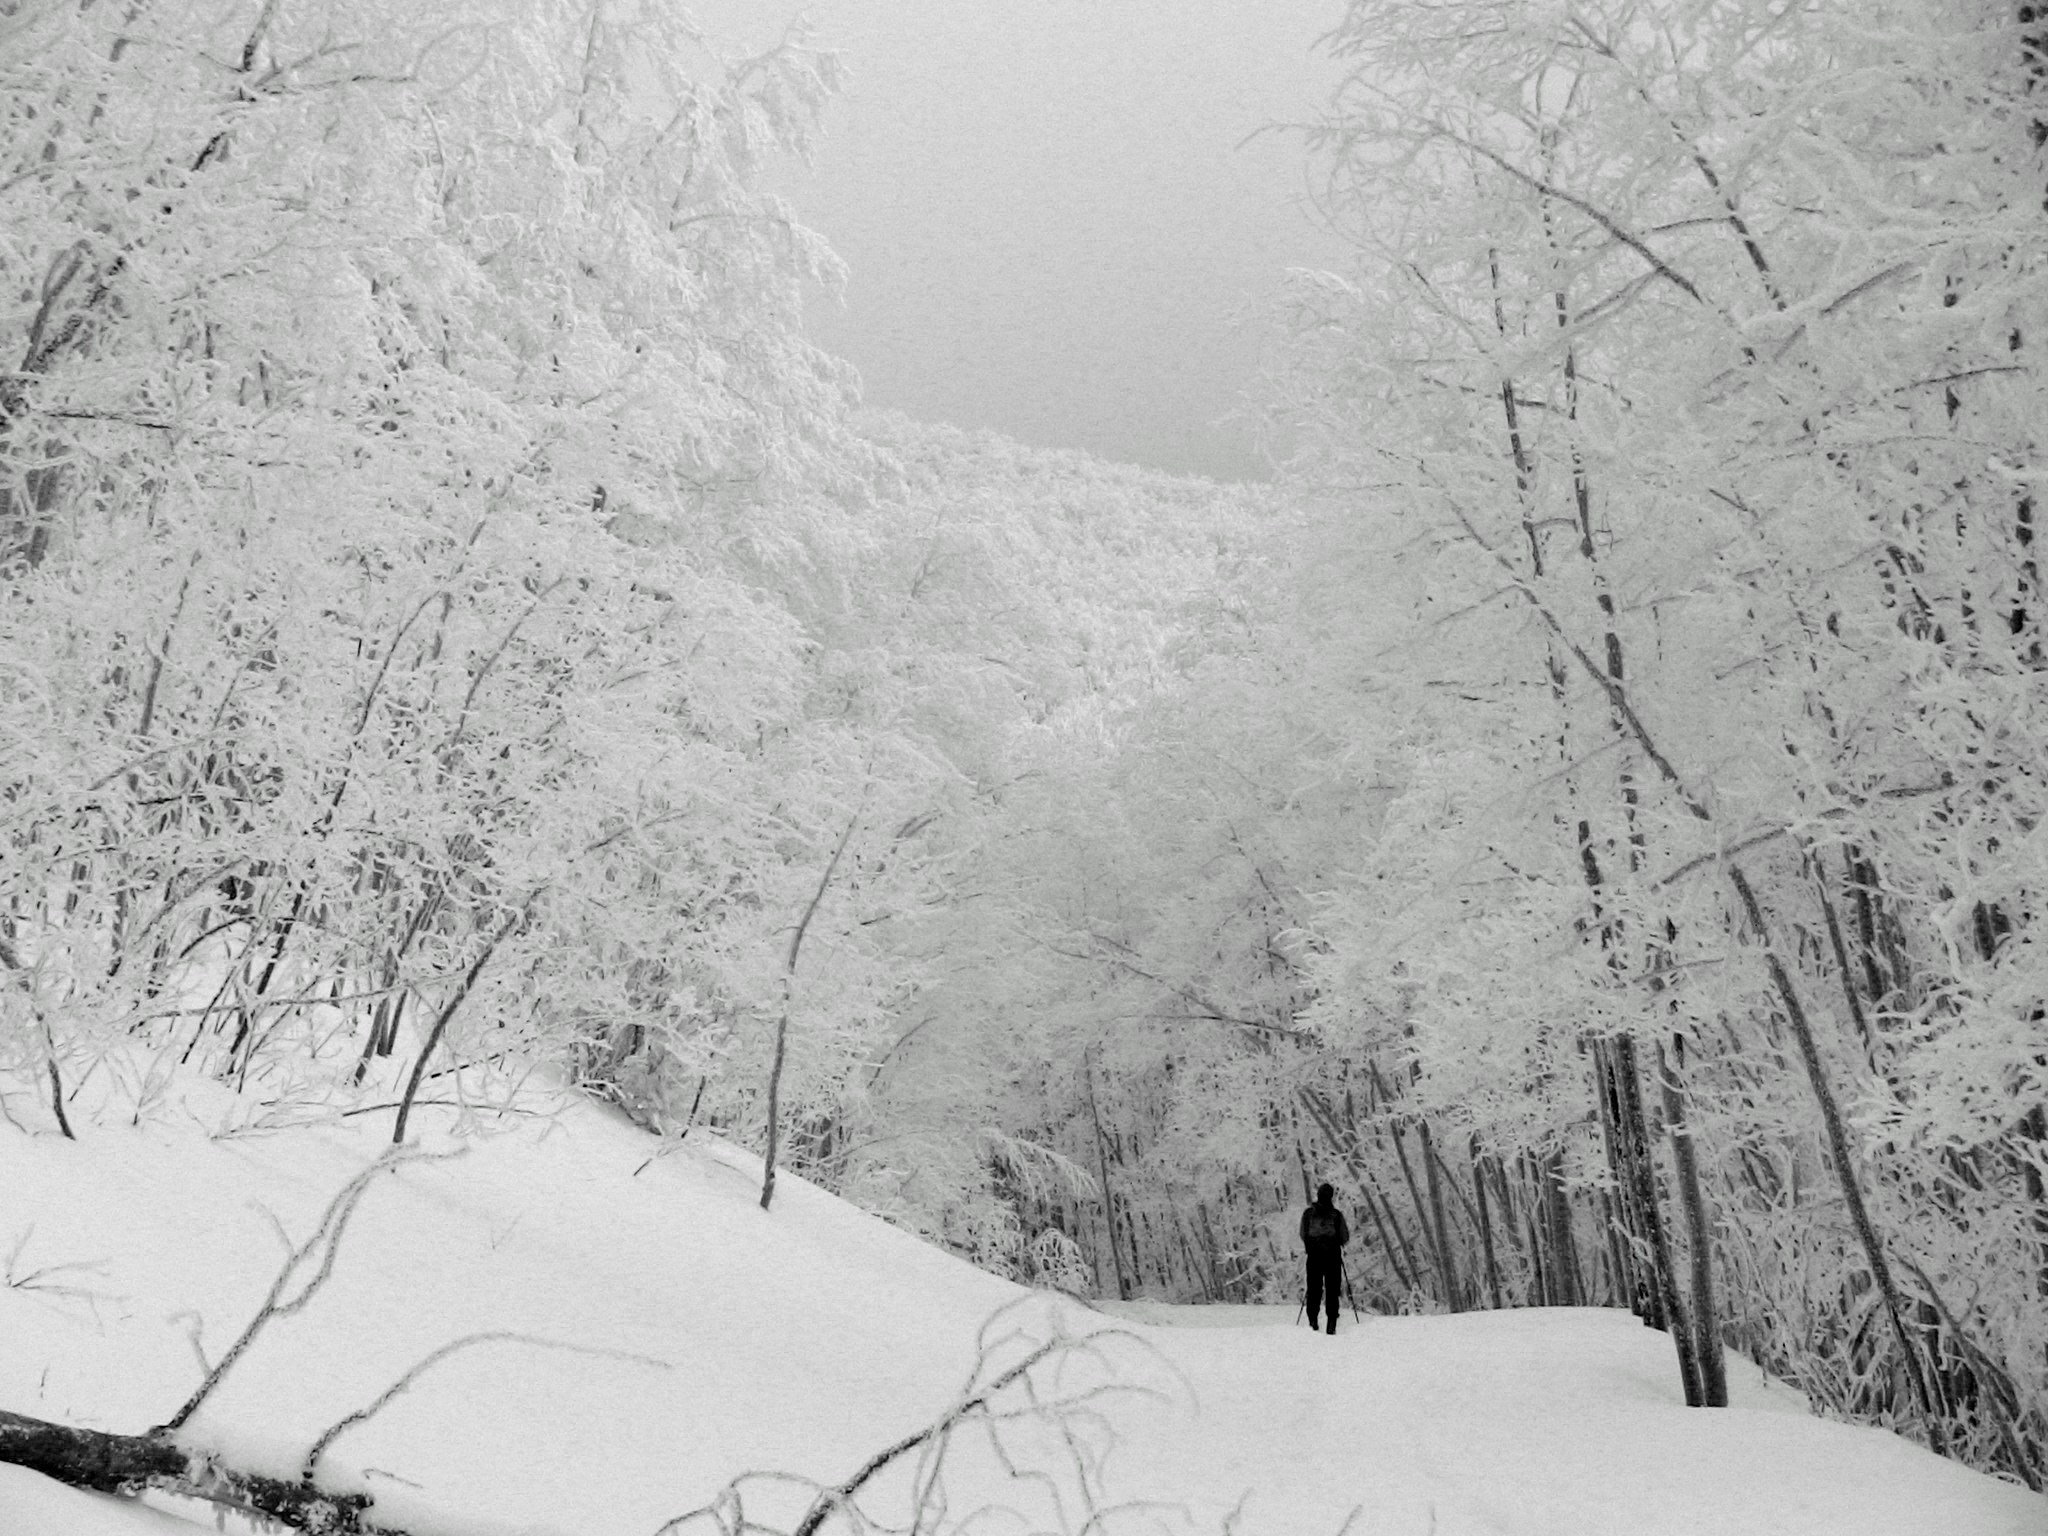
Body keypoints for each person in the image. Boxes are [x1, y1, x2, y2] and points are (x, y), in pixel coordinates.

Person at [1300, 1182, 1349, 1334]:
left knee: (1314, 1288)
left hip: (1314, 1257)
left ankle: (1313, 1321)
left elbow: (1303, 1233)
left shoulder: (1308, 1214)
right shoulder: (1336, 1215)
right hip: (1332, 1257)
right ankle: (1331, 1322)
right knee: (1332, 1289)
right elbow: (1345, 1236)